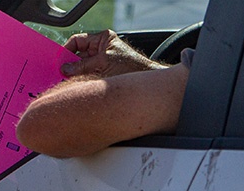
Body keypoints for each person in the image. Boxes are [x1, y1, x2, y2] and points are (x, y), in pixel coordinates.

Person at [16, 29, 190, 157]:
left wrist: (87, 84)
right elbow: (191, 85)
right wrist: (145, 68)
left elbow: (38, 124)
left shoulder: (212, 77)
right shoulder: (210, 76)